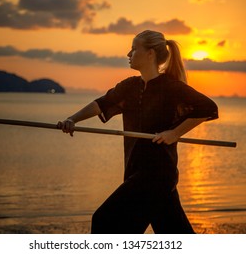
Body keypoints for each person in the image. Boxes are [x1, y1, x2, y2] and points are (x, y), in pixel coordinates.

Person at [58, 30, 218, 234]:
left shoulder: (171, 87)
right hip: (135, 170)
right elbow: (101, 104)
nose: (128, 54)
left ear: (150, 54)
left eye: (134, 49)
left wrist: (175, 133)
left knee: (104, 220)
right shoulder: (129, 87)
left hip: (157, 175)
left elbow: (208, 107)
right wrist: (72, 119)